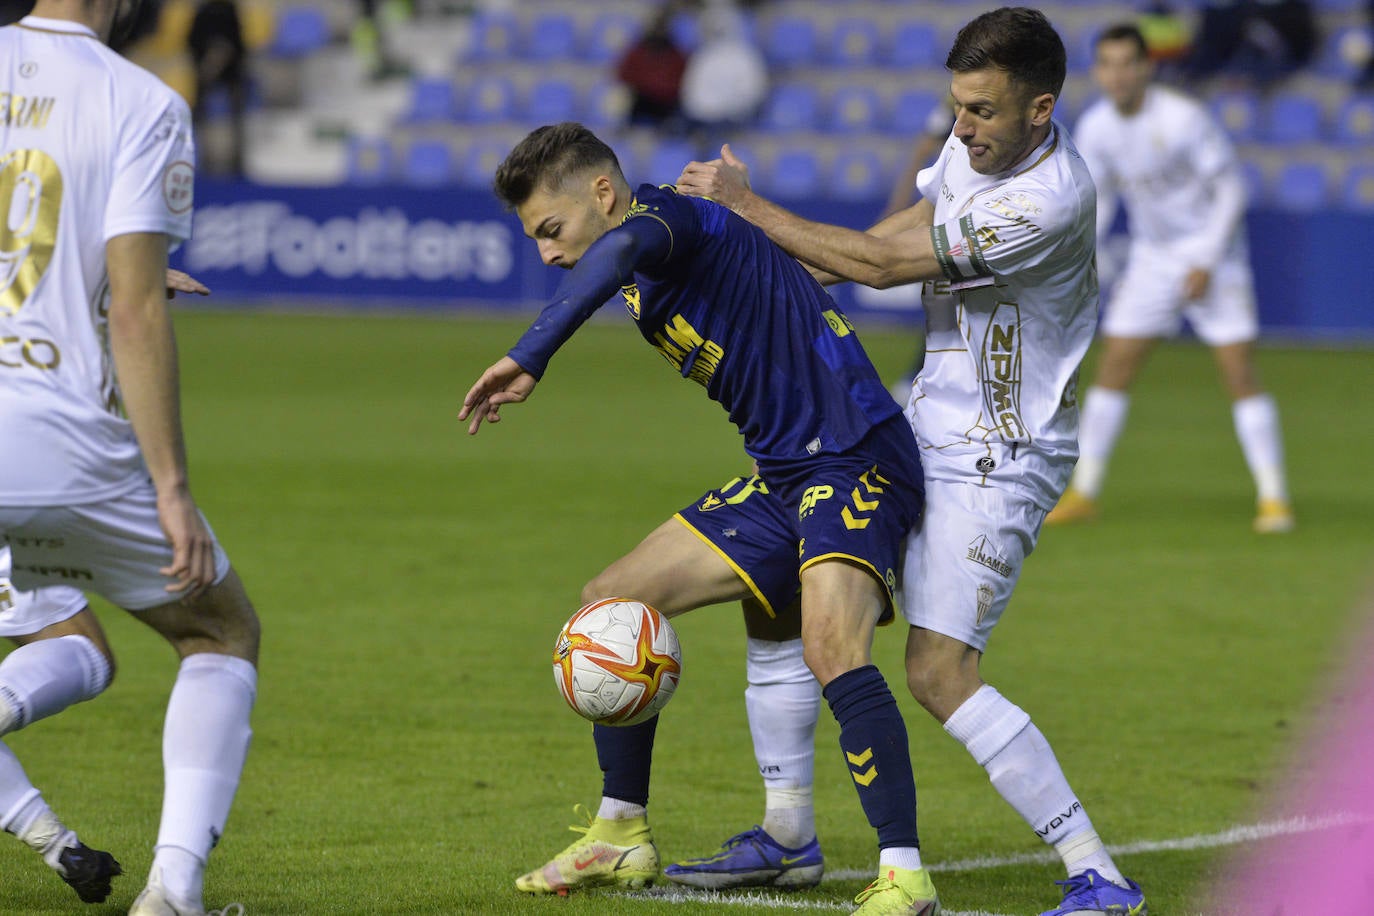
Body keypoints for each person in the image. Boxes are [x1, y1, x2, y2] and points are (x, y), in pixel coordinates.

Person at [675, 8, 1148, 914]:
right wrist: (806, 268)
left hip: (999, 456)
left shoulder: (1049, 200)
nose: (961, 129)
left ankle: (1100, 876)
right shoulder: (977, 154)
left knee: (936, 672)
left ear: (1041, 109)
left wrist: (751, 210)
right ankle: (785, 835)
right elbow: (913, 220)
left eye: (981, 113)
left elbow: (895, 269)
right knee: (777, 578)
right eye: (956, 107)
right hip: (917, 422)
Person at [461, 122, 934, 913]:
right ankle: (621, 834)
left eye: (553, 229)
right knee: (609, 602)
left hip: (856, 454)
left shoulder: (667, 223)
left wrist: (530, 353)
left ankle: (904, 874)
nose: (547, 252)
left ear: (603, 196)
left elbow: (616, 253)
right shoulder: (650, 252)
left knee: (831, 645)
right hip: (785, 473)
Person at [1, 4, 262, 916]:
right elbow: (136, 309)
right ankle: (173, 893)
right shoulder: (138, 99)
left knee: (79, 644)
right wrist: (172, 489)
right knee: (218, 631)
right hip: (58, 437)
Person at [1046, 22, 1294, 534]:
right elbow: (1103, 196)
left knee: (1238, 371)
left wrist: (1204, 258)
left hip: (1215, 254)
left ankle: (1274, 497)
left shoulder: (1183, 119)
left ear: (1146, 67)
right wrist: (1081, 252)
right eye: (1107, 64)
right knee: (1115, 363)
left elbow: (1229, 191)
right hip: (1153, 258)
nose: (1116, 75)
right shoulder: (1098, 127)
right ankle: (1085, 491)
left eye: (1126, 64)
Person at [187, 0, 247, 177]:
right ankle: (203, 162)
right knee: (198, 115)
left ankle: (236, 163)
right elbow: (191, 41)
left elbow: (239, 43)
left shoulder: (230, 10)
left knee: (237, 116)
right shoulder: (202, 11)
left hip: (231, 73)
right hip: (203, 72)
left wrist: (222, 55)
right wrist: (208, 64)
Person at [615, 2, 689, 129]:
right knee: (622, 97)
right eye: (656, 27)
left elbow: (681, 83)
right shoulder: (637, 51)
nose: (658, 31)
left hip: (666, 102)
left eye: (661, 28)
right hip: (640, 98)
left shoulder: (676, 55)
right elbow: (623, 75)